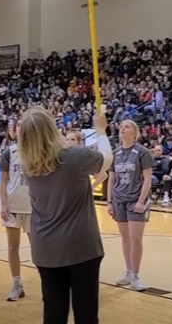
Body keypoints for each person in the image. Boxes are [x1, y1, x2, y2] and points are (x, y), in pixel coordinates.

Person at [17, 106, 113, 324]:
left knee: (54, 312)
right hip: (80, 247)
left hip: (45, 248)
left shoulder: (27, 165)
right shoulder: (75, 156)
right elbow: (107, 158)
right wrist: (101, 130)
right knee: (86, 314)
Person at [107, 120, 153, 291]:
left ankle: (135, 274)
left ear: (135, 132)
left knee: (135, 239)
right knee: (125, 238)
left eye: (127, 126)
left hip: (136, 200)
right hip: (119, 199)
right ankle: (128, 271)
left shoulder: (142, 152)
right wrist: (109, 202)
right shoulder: (115, 153)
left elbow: (147, 179)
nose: (122, 128)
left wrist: (141, 201)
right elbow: (111, 179)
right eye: (121, 126)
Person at [0, 120, 31, 302]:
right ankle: (17, 284)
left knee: (40, 249)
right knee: (13, 247)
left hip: (34, 207)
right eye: (19, 126)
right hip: (13, 206)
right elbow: (2, 181)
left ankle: (49, 284)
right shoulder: (9, 152)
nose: (22, 129)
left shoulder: (37, 151)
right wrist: (3, 204)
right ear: (15, 131)